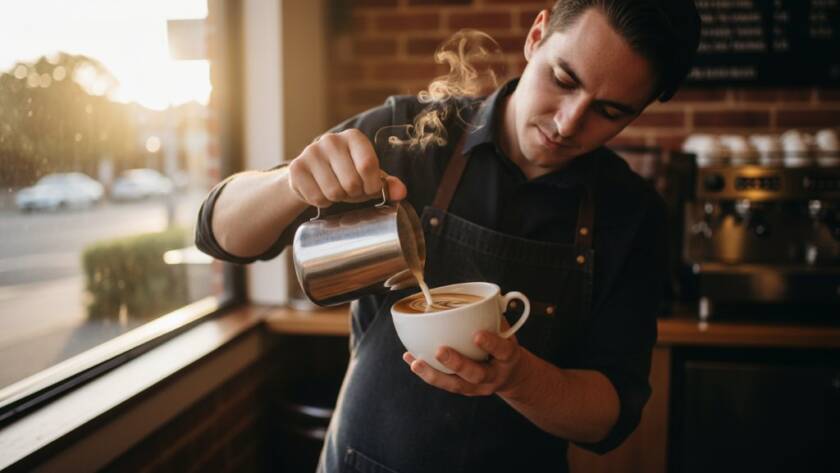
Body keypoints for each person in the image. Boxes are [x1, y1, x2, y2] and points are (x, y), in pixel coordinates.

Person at [196, 1, 700, 471]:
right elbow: (219, 233)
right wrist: (291, 183)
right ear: (536, 35)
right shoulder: (410, 133)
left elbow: (609, 418)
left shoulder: (633, 214)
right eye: (563, 79)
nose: (569, 123)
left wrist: (518, 378)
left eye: (609, 112)